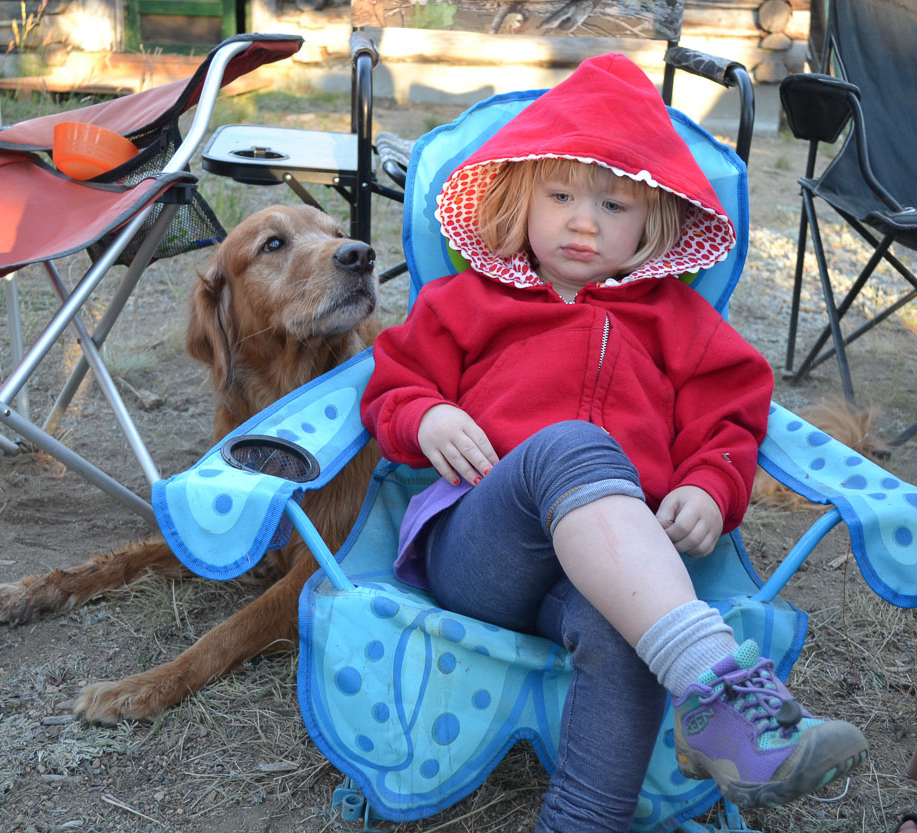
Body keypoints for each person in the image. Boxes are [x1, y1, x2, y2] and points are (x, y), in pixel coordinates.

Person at [361, 54, 867, 833]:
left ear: (656, 219)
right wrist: (425, 415)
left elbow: (732, 416)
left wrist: (708, 484)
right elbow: (390, 383)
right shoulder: (468, 303)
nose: (583, 220)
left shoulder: (679, 322)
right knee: (572, 447)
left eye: (612, 204)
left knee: (629, 629)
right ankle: (723, 687)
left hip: (614, 569)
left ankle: (586, 818)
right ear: (520, 196)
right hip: (482, 545)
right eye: (559, 195)